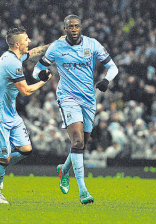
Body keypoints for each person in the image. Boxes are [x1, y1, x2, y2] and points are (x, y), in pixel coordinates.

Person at [33, 15, 118, 204]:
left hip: (88, 98)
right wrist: (41, 73)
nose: (73, 29)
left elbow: (113, 67)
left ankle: (63, 169)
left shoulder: (92, 44)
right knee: (78, 140)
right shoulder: (56, 47)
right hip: (67, 97)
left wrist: (106, 80)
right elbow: (36, 70)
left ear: (81, 27)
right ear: (65, 29)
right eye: (70, 26)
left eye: (76, 26)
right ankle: (83, 190)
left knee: (82, 144)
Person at [0, 26, 52, 204]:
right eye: (26, 39)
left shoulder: (12, 55)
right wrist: (44, 81)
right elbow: (25, 91)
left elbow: (33, 52)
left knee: (26, 150)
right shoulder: (12, 63)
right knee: (4, 158)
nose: (30, 41)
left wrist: (56, 44)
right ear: (17, 44)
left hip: (11, 113)